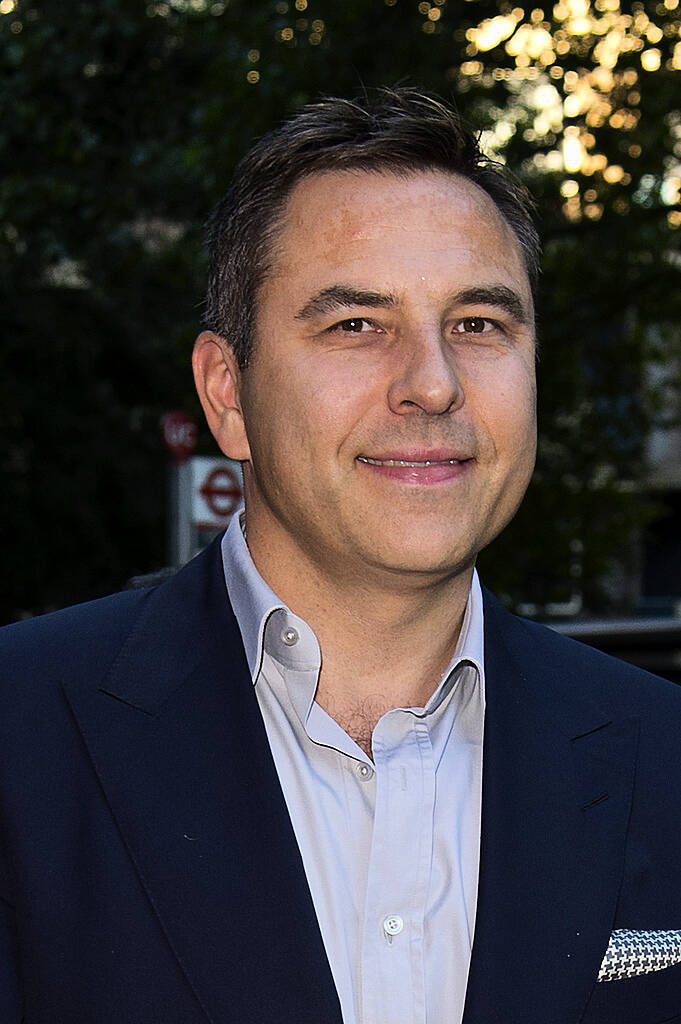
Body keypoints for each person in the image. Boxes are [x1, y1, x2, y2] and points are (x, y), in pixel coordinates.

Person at [1, 88, 680, 1024]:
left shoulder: (666, 753)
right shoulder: (21, 735)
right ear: (227, 392)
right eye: (356, 324)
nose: (433, 384)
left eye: (479, 324)